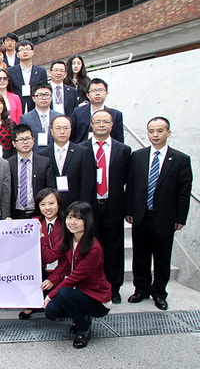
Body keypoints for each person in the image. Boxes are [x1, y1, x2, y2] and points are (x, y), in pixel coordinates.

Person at [125, 117, 192, 311]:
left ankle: (160, 293)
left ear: (168, 133)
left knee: (162, 257)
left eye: (160, 131)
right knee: (140, 255)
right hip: (141, 215)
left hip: (165, 217)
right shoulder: (137, 156)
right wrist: (129, 211)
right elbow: (131, 186)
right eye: (151, 131)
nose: (155, 135)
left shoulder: (180, 159)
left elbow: (183, 192)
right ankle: (141, 289)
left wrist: (180, 218)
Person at [42, 201, 112, 349]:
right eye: (70, 217)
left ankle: (83, 329)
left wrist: (50, 296)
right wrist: (41, 237)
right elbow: (53, 260)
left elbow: (74, 278)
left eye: (78, 218)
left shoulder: (94, 248)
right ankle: (83, 316)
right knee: (51, 310)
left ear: (87, 221)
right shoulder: (70, 239)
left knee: (63, 293)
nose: (72, 222)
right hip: (80, 293)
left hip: (97, 299)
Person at [81, 110, 131, 303]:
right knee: (90, 249)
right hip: (89, 206)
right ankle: (91, 286)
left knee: (114, 248)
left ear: (112, 125)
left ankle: (113, 288)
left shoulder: (123, 150)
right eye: (97, 121)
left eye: (105, 121)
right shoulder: (81, 149)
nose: (101, 125)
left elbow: (128, 180)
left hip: (113, 205)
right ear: (91, 125)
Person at [19, 188, 64, 320]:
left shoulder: (67, 225)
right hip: (39, 271)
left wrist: (40, 236)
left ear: (59, 205)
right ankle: (34, 302)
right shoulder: (34, 222)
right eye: (43, 204)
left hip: (59, 273)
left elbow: (49, 257)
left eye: (51, 203)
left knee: (52, 312)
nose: (47, 208)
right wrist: (9, 226)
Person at [39, 115, 95, 208]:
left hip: (76, 204)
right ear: (51, 131)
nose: (62, 131)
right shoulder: (43, 154)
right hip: (51, 206)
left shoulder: (83, 152)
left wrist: (83, 206)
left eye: (66, 128)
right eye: (58, 128)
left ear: (71, 130)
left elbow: (87, 182)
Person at [7, 124, 55, 219]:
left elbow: (50, 189)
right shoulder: (8, 163)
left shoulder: (44, 162)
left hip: (38, 213)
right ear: (14, 143)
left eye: (28, 138)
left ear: (33, 140)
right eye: (21, 139)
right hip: (15, 214)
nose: (25, 142)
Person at [70, 78, 124, 144]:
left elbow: (119, 142)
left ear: (106, 93)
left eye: (101, 90)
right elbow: (71, 136)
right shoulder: (78, 112)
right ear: (88, 95)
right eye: (94, 91)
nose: (97, 93)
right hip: (81, 148)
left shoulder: (116, 115)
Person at [7, 40, 48, 113]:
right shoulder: (10, 71)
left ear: (32, 52)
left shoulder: (41, 71)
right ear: (17, 54)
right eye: (22, 50)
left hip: (36, 106)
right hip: (16, 106)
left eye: (27, 49)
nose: (25, 52)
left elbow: (45, 89)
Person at [19, 83, 60, 153]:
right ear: (33, 98)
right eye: (40, 95)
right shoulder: (25, 118)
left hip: (55, 153)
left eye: (47, 95)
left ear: (51, 97)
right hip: (35, 154)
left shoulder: (59, 117)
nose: (44, 98)